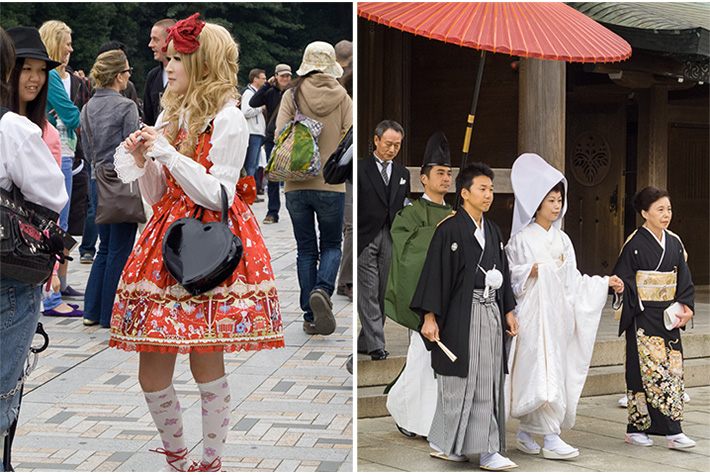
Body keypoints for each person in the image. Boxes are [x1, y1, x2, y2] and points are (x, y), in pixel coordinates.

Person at [110, 14, 284, 471]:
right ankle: (177, 458)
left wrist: (167, 152)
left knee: (206, 360)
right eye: (169, 57)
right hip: (166, 240)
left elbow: (220, 194)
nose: (168, 66)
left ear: (203, 62)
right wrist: (145, 160)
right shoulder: (171, 113)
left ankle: (210, 462)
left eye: (178, 58)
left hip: (210, 244)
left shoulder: (229, 118)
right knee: (151, 365)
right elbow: (156, 195)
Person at [504, 153, 625, 459]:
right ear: (537, 203)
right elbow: (510, 275)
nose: (556, 206)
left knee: (551, 369)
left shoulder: (564, 240)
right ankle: (552, 438)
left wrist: (603, 283)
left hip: (557, 316)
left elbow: (573, 280)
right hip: (532, 315)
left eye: (559, 199)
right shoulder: (520, 239)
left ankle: (526, 431)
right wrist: (529, 271)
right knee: (538, 372)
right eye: (550, 200)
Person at [411, 163, 519, 471]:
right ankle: (454, 447)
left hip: (491, 311)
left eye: (491, 190)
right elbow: (435, 274)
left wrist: (508, 309)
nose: (489, 195)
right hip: (462, 313)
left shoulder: (494, 230)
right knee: (459, 381)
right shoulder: (449, 229)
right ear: (465, 193)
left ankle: (487, 450)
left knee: (487, 379)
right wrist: (429, 316)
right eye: (482, 189)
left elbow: (504, 274)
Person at [0, 26, 68, 471]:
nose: (32, 78)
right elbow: (52, 194)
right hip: (9, 269)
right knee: (4, 384)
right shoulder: (13, 127)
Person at [276, 41, 351, 335]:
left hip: (295, 182)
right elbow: (351, 136)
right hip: (331, 184)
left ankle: (310, 315)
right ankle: (323, 290)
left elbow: (279, 132)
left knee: (305, 249)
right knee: (331, 244)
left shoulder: (291, 95)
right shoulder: (343, 96)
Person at [613, 186, 695, 450]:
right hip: (642, 315)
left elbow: (684, 277)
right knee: (643, 373)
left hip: (669, 315)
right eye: (660, 209)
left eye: (668, 209)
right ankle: (637, 429)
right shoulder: (634, 243)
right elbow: (623, 278)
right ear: (644, 213)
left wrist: (686, 307)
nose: (666, 214)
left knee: (671, 371)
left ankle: (673, 430)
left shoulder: (674, 241)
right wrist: (630, 297)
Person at [384, 131, 453, 438]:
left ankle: (433, 420)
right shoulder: (410, 213)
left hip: (451, 301)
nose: (446, 178)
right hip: (424, 300)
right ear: (423, 179)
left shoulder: (456, 214)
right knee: (421, 362)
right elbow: (405, 251)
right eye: (439, 173)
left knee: (439, 368)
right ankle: (409, 416)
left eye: (449, 173)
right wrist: (439, 234)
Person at [79, 49, 140, 328]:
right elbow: (132, 148)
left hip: (96, 180)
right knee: (120, 248)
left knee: (104, 248)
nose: (129, 76)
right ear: (119, 76)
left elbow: (85, 149)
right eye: (127, 71)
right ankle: (110, 315)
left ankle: (91, 311)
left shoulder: (87, 107)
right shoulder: (127, 106)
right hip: (121, 181)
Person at [38, 19, 83, 316]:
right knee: (57, 225)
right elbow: (71, 115)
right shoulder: (52, 75)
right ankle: (51, 297)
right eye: (66, 42)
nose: (70, 48)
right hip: (60, 153)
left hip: (59, 152)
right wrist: (73, 113)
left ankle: (57, 288)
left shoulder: (51, 75)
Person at [357, 120, 410, 360]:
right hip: (366, 234)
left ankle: (365, 340)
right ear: (376, 140)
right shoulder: (361, 168)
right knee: (368, 290)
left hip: (391, 235)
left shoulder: (402, 173)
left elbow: (404, 205)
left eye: (397, 146)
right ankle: (377, 345)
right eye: (388, 144)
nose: (392, 149)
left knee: (383, 292)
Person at [5, 27, 62, 167]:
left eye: (42, 70)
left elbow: (52, 187)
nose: (35, 78)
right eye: (27, 69)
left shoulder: (48, 134)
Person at [249, 63, 292, 224]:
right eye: (282, 76)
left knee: (290, 175)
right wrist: (267, 84)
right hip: (272, 138)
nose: (285, 79)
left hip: (289, 138)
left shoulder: (293, 92)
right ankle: (272, 212)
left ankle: (293, 209)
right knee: (273, 175)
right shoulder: (269, 92)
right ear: (276, 76)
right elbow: (253, 102)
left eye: (287, 76)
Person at [334, 39, 352, 299]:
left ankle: (342, 279)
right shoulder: (342, 87)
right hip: (346, 161)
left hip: (334, 163)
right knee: (350, 226)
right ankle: (345, 280)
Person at [241, 68, 267, 200]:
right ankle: (249, 193)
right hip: (252, 132)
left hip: (257, 132)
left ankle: (253, 191)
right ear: (255, 79)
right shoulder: (248, 94)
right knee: (251, 164)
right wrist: (260, 108)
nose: (265, 80)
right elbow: (245, 111)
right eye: (263, 78)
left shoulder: (254, 93)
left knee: (255, 165)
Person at [143, 18, 175, 127]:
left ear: (169, 41)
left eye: (155, 39)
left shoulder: (186, 75)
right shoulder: (152, 76)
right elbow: (147, 119)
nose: (150, 45)